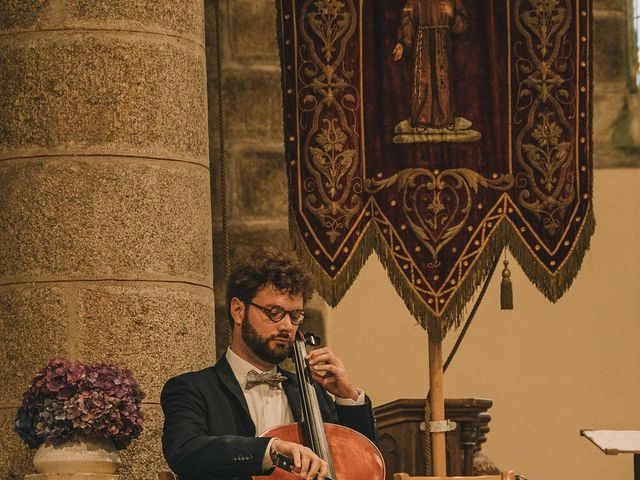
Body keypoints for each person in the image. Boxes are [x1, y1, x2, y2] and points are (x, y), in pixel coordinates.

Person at [161, 248, 377, 480]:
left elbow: (363, 463)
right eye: (274, 312)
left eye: (295, 316)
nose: (286, 326)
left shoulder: (312, 393)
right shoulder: (192, 389)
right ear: (238, 310)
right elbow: (185, 451)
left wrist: (347, 396)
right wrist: (269, 450)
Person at [393, 0, 469, 129]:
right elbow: (408, 21)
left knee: (442, 79)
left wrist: (452, 15)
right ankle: (422, 119)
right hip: (423, 42)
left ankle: (444, 118)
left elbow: (463, 21)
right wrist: (401, 43)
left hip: (442, 42)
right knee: (424, 79)